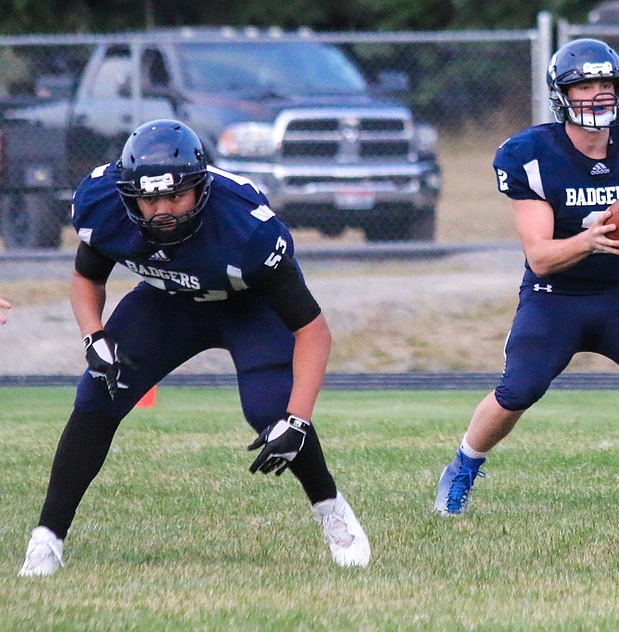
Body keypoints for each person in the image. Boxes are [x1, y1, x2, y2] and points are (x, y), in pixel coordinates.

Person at [18, 120, 370, 577]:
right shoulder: (103, 202)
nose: (162, 209)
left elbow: (312, 329)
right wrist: (94, 336)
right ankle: (47, 539)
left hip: (249, 309)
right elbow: (88, 277)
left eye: (175, 196)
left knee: (270, 411)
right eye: (150, 199)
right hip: (167, 304)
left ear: (200, 188)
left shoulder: (247, 227)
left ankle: (330, 508)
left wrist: (298, 419)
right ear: (131, 194)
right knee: (96, 396)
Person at [433, 38, 619, 516]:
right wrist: (591, 238)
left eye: (606, 84)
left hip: (615, 293)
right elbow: (540, 258)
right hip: (553, 296)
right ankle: (463, 466)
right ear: (562, 94)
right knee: (518, 391)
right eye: (584, 85)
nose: (597, 95)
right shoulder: (532, 155)